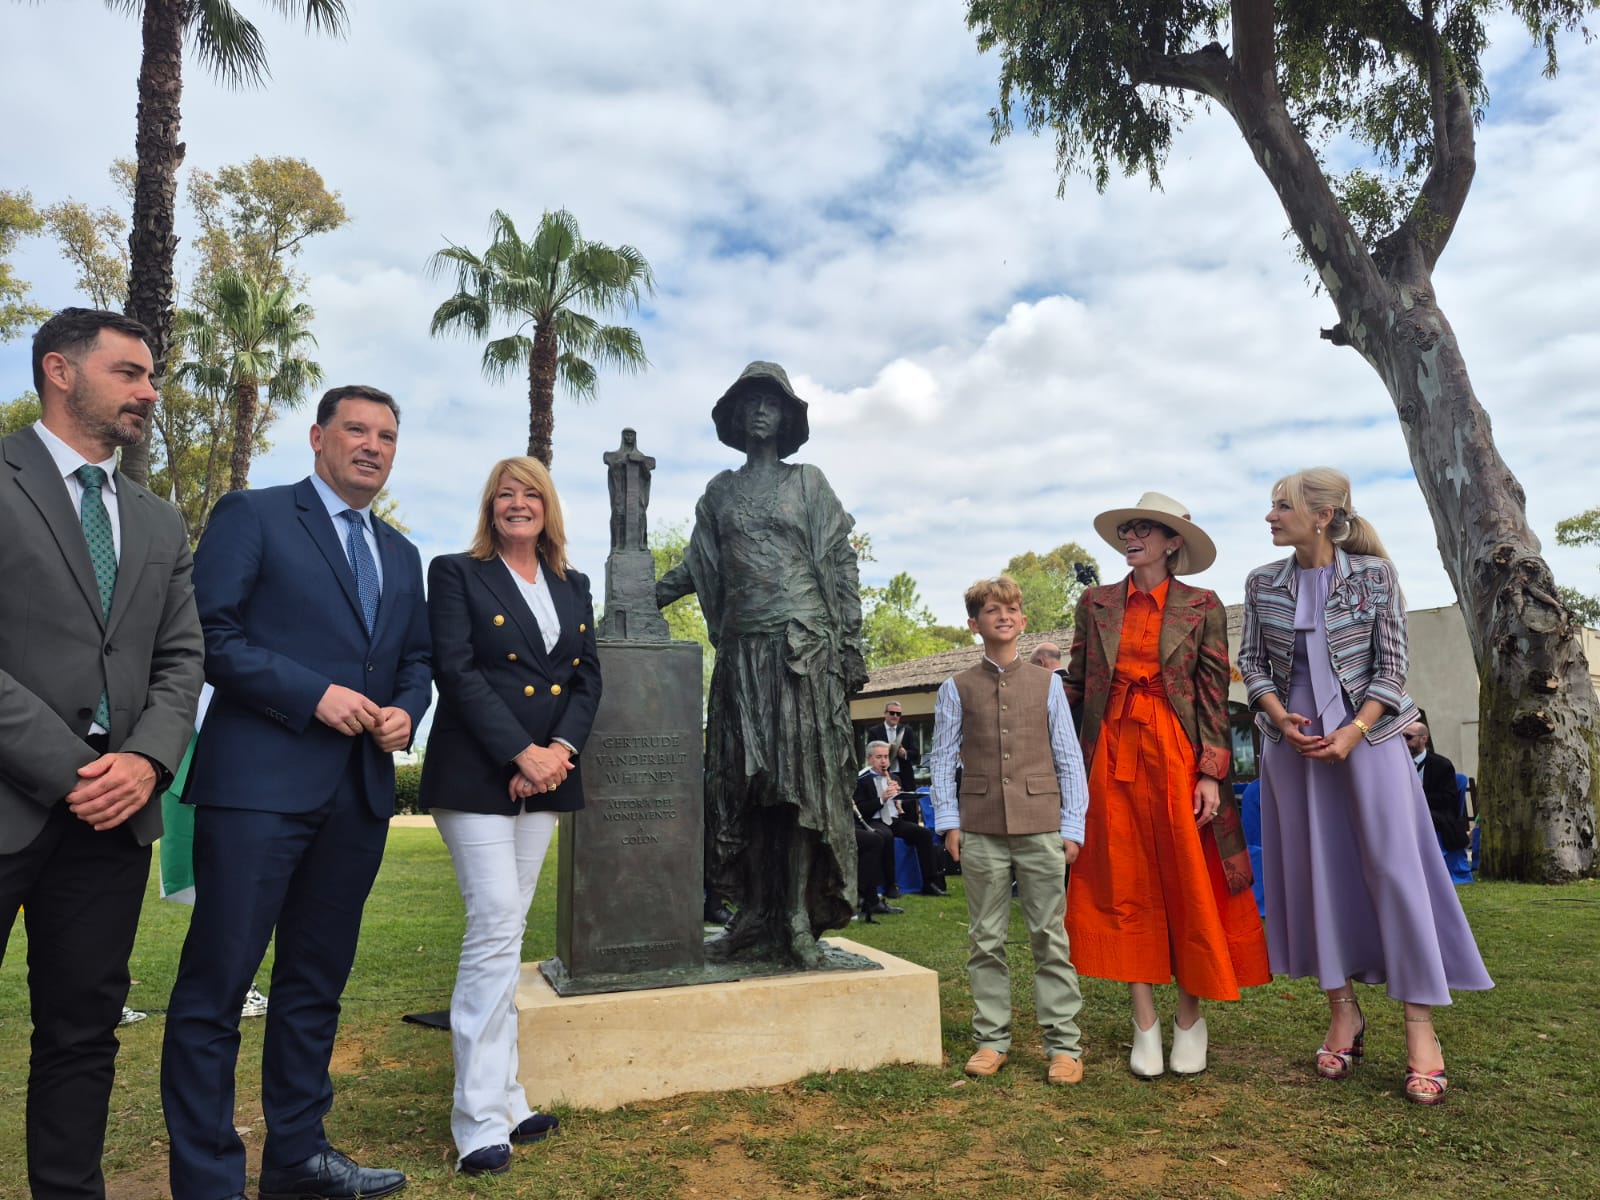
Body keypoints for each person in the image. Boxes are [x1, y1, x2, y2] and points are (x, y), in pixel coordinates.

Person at [161, 385, 432, 1200]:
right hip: (258, 789)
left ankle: (299, 1158)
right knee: (217, 987)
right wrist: (312, 694)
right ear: (318, 437)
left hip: (358, 796)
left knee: (315, 985)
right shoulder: (255, 515)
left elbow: (417, 660)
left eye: (388, 435)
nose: (373, 446)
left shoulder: (402, 554)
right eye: (357, 429)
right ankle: (209, 1180)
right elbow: (209, 634)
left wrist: (406, 711)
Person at [1, 308, 205, 1200]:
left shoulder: (159, 522)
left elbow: (182, 658)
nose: (149, 392)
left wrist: (148, 763)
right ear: (60, 371)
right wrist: (73, 770)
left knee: (82, 1035)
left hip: (115, 819)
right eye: (129, 373)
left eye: (151, 376)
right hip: (17, 796)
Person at [1239, 467, 1492, 1106]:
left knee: (1393, 870)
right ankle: (1343, 1012)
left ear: (1322, 515)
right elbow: (1252, 663)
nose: (1271, 516)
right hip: (1292, 746)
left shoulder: (1375, 576)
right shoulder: (1262, 582)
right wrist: (1278, 717)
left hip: (1370, 739)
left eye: (1282, 506)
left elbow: (1394, 666)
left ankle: (1420, 1026)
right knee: (1314, 872)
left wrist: (1354, 731)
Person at [417, 456, 600, 1176]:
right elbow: (456, 671)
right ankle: (477, 1121)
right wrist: (519, 753)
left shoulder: (573, 584)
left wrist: (556, 752)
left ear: (548, 506)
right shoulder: (456, 573)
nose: (516, 503)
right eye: (504, 493)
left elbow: (586, 679)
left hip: (546, 773)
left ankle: (509, 1098)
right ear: (489, 507)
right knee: (494, 925)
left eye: (530, 493)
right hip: (475, 772)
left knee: (508, 931)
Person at [656, 361, 867, 968]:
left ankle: (796, 919)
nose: (759, 411)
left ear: (787, 417)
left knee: (798, 789)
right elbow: (699, 565)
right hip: (742, 651)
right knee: (743, 789)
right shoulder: (719, 492)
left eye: (771, 402)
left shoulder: (809, 483)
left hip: (802, 651)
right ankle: (752, 916)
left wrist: (850, 645)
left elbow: (840, 563)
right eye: (749, 402)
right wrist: (641, 592)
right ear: (735, 415)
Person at [1064, 492, 1269, 1078]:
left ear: (1172, 542)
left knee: (1188, 879)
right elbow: (1076, 683)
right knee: (1123, 880)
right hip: (1110, 753)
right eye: (1127, 530)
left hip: (1177, 753)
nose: (1131, 538)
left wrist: (1210, 772)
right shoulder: (1096, 603)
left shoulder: (1201, 605)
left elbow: (1212, 695)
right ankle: (1144, 1022)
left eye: (1144, 530)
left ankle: (1189, 1018)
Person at [928, 576, 1090, 1085]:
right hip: (979, 827)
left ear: (1022, 621)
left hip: (1042, 825)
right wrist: (949, 822)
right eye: (991, 610)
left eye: (1011, 609)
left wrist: (1072, 824)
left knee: (1049, 936)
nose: (1003, 615)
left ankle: (1063, 1045)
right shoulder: (954, 687)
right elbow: (941, 759)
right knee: (985, 939)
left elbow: (1068, 757)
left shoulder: (1048, 684)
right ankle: (991, 1039)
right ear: (973, 624)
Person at [854, 741, 945, 896]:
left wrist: (901, 799)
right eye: (878, 757)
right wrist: (882, 799)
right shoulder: (861, 780)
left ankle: (930, 883)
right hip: (874, 820)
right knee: (886, 836)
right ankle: (891, 885)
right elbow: (860, 809)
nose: (883, 761)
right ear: (869, 759)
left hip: (894, 820)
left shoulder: (895, 777)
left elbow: (904, 809)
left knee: (923, 834)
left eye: (886, 757)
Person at [1405, 722, 1471, 855]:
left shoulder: (1442, 764)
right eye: (1402, 737)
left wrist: (1417, 801)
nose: (1404, 742)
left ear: (1424, 739)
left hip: (1436, 812)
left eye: (1408, 737)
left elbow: (1448, 798)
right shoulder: (1401, 763)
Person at [865, 702, 920, 795]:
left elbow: (916, 754)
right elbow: (869, 753)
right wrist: (885, 749)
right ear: (885, 713)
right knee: (887, 801)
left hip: (904, 776)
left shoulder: (907, 730)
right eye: (892, 713)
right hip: (883, 774)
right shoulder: (874, 731)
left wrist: (905, 753)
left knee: (908, 802)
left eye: (898, 714)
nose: (895, 716)